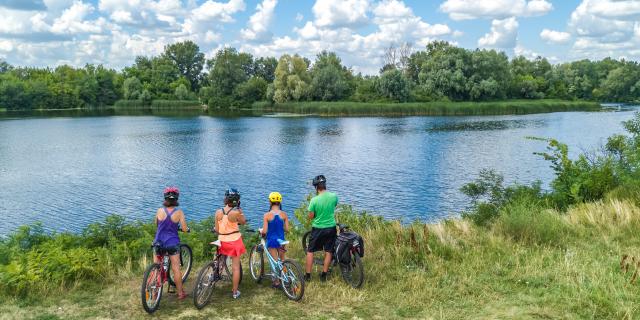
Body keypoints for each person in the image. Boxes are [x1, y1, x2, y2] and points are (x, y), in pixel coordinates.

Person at [153, 186, 189, 300]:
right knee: (176, 268)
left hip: (158, 242)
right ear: (176, 199)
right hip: (172, 244)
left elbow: (156, 224)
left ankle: (153, 292)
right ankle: (180, 293)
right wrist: (185, 229)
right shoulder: (179, 212)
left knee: (156, 268)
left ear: (165, 198)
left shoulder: (159, 210)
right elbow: (184, 229)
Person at [214, 188, 246, 299]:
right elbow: (243, 222)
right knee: (236, 268)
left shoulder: (218, 212)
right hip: (234, 242)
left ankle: (215, 272)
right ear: (237, 200)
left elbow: (217, 230)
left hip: (222, 241)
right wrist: (240, 210)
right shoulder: (237, 212)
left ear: (226, 199)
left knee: (218, 258)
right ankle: (235, 292)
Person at [305, 175, 338, 282]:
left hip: (318, 228)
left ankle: (308, 276)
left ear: (316, 187)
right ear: (325, 185)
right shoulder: (334, 196)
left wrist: (316, 215)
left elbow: (310, 216)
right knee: (329, 251)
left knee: (310, 251)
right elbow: (334, 206)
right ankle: (324, 275)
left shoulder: (314, 200)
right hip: (331, 228)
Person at [260, 191, 290, 287]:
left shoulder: (267, 215)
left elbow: (264, 231)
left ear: (270, 202)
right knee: (282, 260)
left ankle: (276, 282)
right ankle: (285, 277)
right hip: (282, 240)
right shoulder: (284, 214)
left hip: (272, 241)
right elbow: (287, 229)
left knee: (275, 261)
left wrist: (261, 232)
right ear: (280, 202)